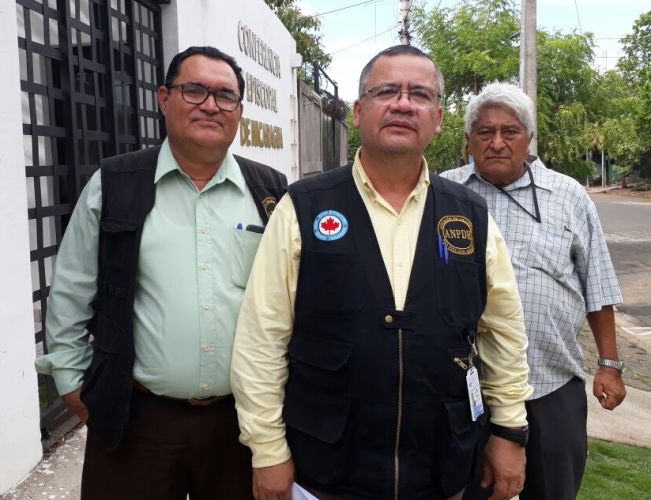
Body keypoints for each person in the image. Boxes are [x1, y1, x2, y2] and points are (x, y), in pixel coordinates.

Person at [230, 45, 533, 500]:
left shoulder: (470, 215)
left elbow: (503, 332)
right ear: (358, 111)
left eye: (420, 94)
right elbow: (261, 338)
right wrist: (267, 449)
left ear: (439, 117)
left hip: (438, 467)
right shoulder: (304, 206)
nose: (403, 103)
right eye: (386, 90)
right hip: (325, 469)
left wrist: (510, 431)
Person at [35, 46, 287, 500]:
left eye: (225, 96)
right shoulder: (114, 184)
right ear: (163, 98)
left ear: (240, 112)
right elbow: (71, 293)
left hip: (242, 424)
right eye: (194, 90)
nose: (210, 105)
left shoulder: (270, 191)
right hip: (136, 420)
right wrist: (72, 386)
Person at [440, 82, 626, 500]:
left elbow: (597, 282)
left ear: (529, 138)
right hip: (464, 387)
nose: (498, 142)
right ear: (469, 140)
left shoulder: (568, 196)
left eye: (510, 131)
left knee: (552, 490)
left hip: (551, 384)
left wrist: (610, 364)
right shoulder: (444, 194)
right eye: (485, 132)